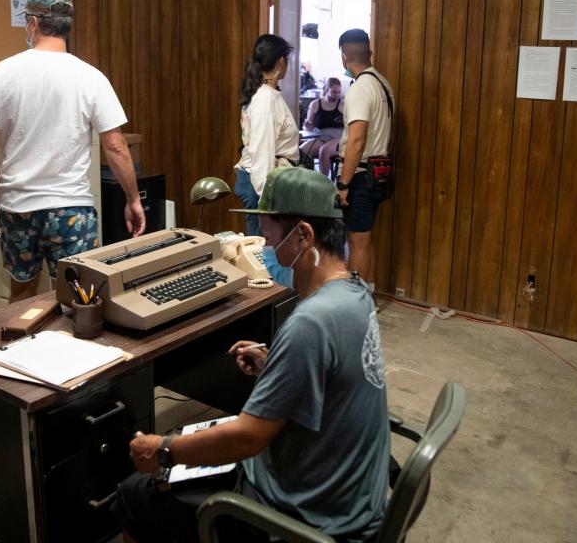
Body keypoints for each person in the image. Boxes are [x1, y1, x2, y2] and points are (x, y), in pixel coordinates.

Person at [113, 166, 390, 543]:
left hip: (311, 515)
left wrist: (162, 450)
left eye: (270, 234)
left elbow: (247, 438)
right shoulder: (354, 295)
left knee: (134, 493)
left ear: (304, 235)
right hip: (348, 494)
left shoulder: (311, 320)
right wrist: (278, 364)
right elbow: (331, 378)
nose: (266, 245)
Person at [0, 0, 145, 303]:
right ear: (68, 25)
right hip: (71, 211)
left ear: (33, 24)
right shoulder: (91, 77)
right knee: (79, 299)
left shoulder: (3, 72)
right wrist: (132, 198)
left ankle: (22, 348)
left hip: (17, 208)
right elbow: (116, 146)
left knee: (21, 296)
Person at [335, 29, 394, 293]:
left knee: (357, 241)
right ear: (369, 52)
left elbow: (357, 141)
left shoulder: (360, 89)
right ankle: (368, 294)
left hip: (360, 175)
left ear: (344, 58)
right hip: (380, 172)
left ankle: (354, 302)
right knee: (366, 238)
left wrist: (343, 183)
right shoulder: (383, 83)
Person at [233, 34, 300, 239]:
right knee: (265, 257)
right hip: (261, 186)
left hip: (268, 181)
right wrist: (268, 202)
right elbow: (263, 153)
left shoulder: (267, 94)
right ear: (281, 61)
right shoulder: (264, 99)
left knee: (272, 255)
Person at [299, 77, 344, 177]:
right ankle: (305, 180)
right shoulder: (315, 104)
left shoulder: (342, 105)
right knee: (300, 151)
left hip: (338, 138)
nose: (337, 95)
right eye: (333, 92)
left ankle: (323, 184)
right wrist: (307, 125)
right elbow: (309, 127)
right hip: (321, 137)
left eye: (338, 92)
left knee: (324, 151)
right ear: (326, 90)